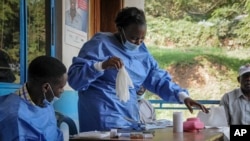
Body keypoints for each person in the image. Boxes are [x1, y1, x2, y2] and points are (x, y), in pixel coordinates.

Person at [68, 7, 209, 132]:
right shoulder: (100, 44)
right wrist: (101, 66)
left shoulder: (142, 52)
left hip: (129, 117)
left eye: (142, 38)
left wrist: (183, 97)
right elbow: (75, 79)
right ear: (120, 29)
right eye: (134, 38)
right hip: (101, 115)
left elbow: (157, 79)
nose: (138, 42)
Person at [0, 56, 67, 141]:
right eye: (61, 87)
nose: (63, 91)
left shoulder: (45, 102)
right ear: (46, 87)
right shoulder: (16, 119)